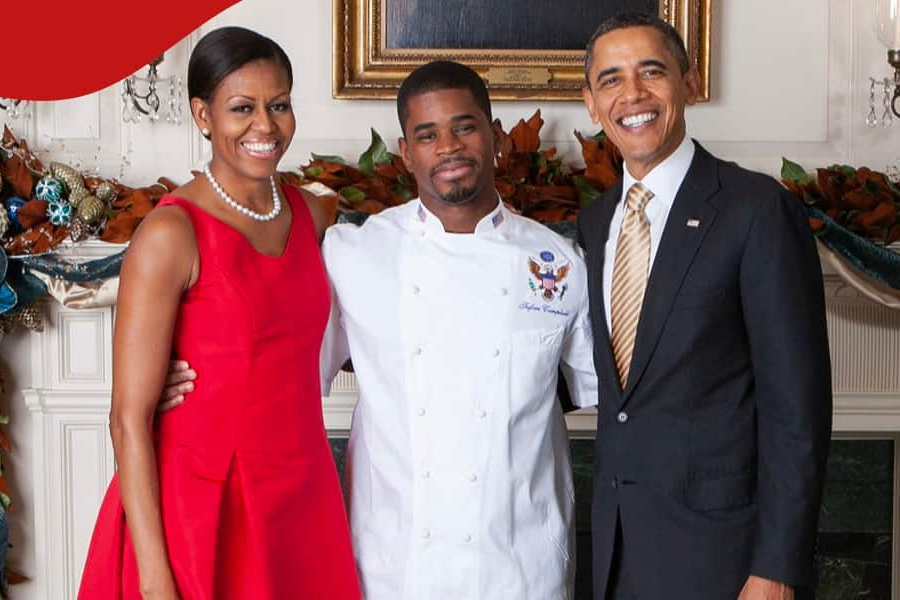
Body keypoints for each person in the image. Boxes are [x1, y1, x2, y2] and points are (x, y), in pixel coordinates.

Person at [162, 60, 598, 599]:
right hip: (396, 564)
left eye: (464, 126)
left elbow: (594, 393)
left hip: (522, 563)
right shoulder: (354, 254)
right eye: (427, 134)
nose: (448, 147)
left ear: (494, 136)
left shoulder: (559, 263)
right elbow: (275, 351)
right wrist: (179, 375)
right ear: (405, 151)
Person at [77, 27, 362, 600]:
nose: (266, 126)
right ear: (203, 115)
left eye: (278, 104)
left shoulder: (314, 213)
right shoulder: (170, 233)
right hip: (203, 503)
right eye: (242, 108)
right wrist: (157, 581)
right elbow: (126, 420)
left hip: (303, 496)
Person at [576, 12, 833, 600]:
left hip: (729, 559)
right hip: (620, 553)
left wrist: (777, 569)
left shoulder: (756, 210)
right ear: (592, 104)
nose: (633, 94)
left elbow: (798, 410)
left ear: (688, 83)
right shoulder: (595, 224)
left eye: (652, 71)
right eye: (611, 80)